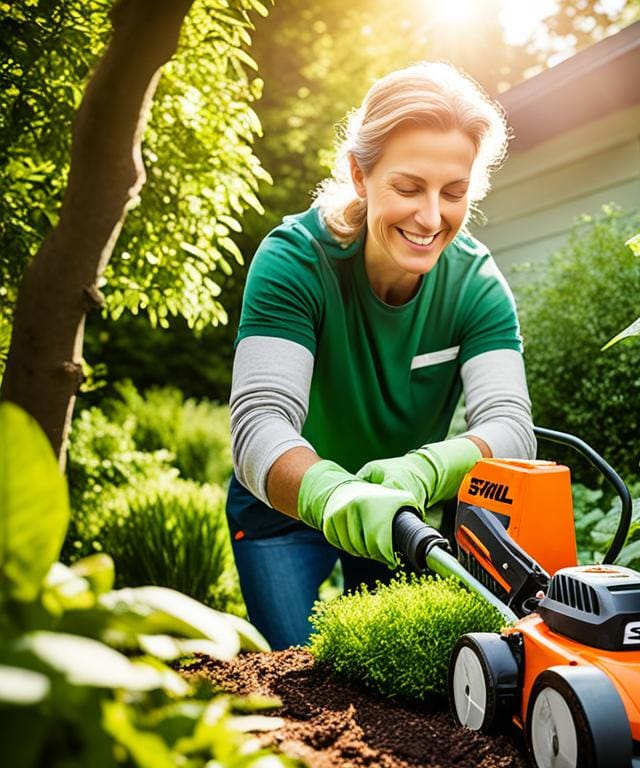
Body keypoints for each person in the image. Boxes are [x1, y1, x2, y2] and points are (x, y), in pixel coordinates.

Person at [227, 61, 536, 649]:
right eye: (407, 187)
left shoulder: (476, 284)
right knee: (297, 673)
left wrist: (422, 470)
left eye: (454, 192)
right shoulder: (295, 261)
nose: (430, 217)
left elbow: (512, 429)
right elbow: (258, 425)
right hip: (285, 508)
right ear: (359, 174)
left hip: (401, 512)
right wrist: (334, 492)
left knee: (393, 685)